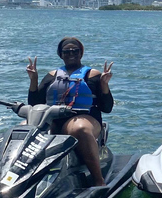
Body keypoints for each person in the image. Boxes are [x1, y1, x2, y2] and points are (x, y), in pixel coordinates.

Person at [26, 37, 113, 186]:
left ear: (81, 53)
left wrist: (104, 84)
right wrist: (33, 79)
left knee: (79, 128)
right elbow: (35, 104)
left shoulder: (93, 75)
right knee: (25, 127)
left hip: (86, 118)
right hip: (55, 119)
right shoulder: (52, 75)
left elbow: (107, 108)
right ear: (61, 54)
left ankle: (98, 181)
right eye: (66, 51)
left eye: (75, 51)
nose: (71, 53)